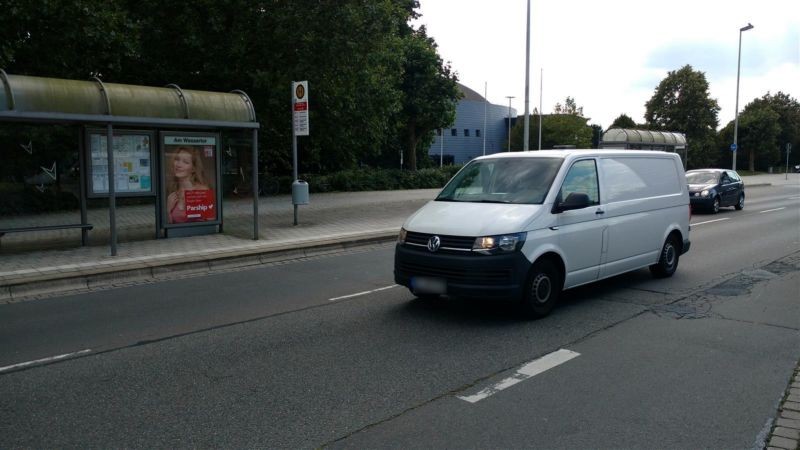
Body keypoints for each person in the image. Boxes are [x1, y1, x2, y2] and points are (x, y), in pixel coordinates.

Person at [166, 146, 214, 224]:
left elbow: (210, 222)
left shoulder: (202, 191)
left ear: (193, 169)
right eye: (177, 159)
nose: (178, 165)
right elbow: (168, 227)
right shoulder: (172, 190)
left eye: (185, 162)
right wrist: (168, 211)